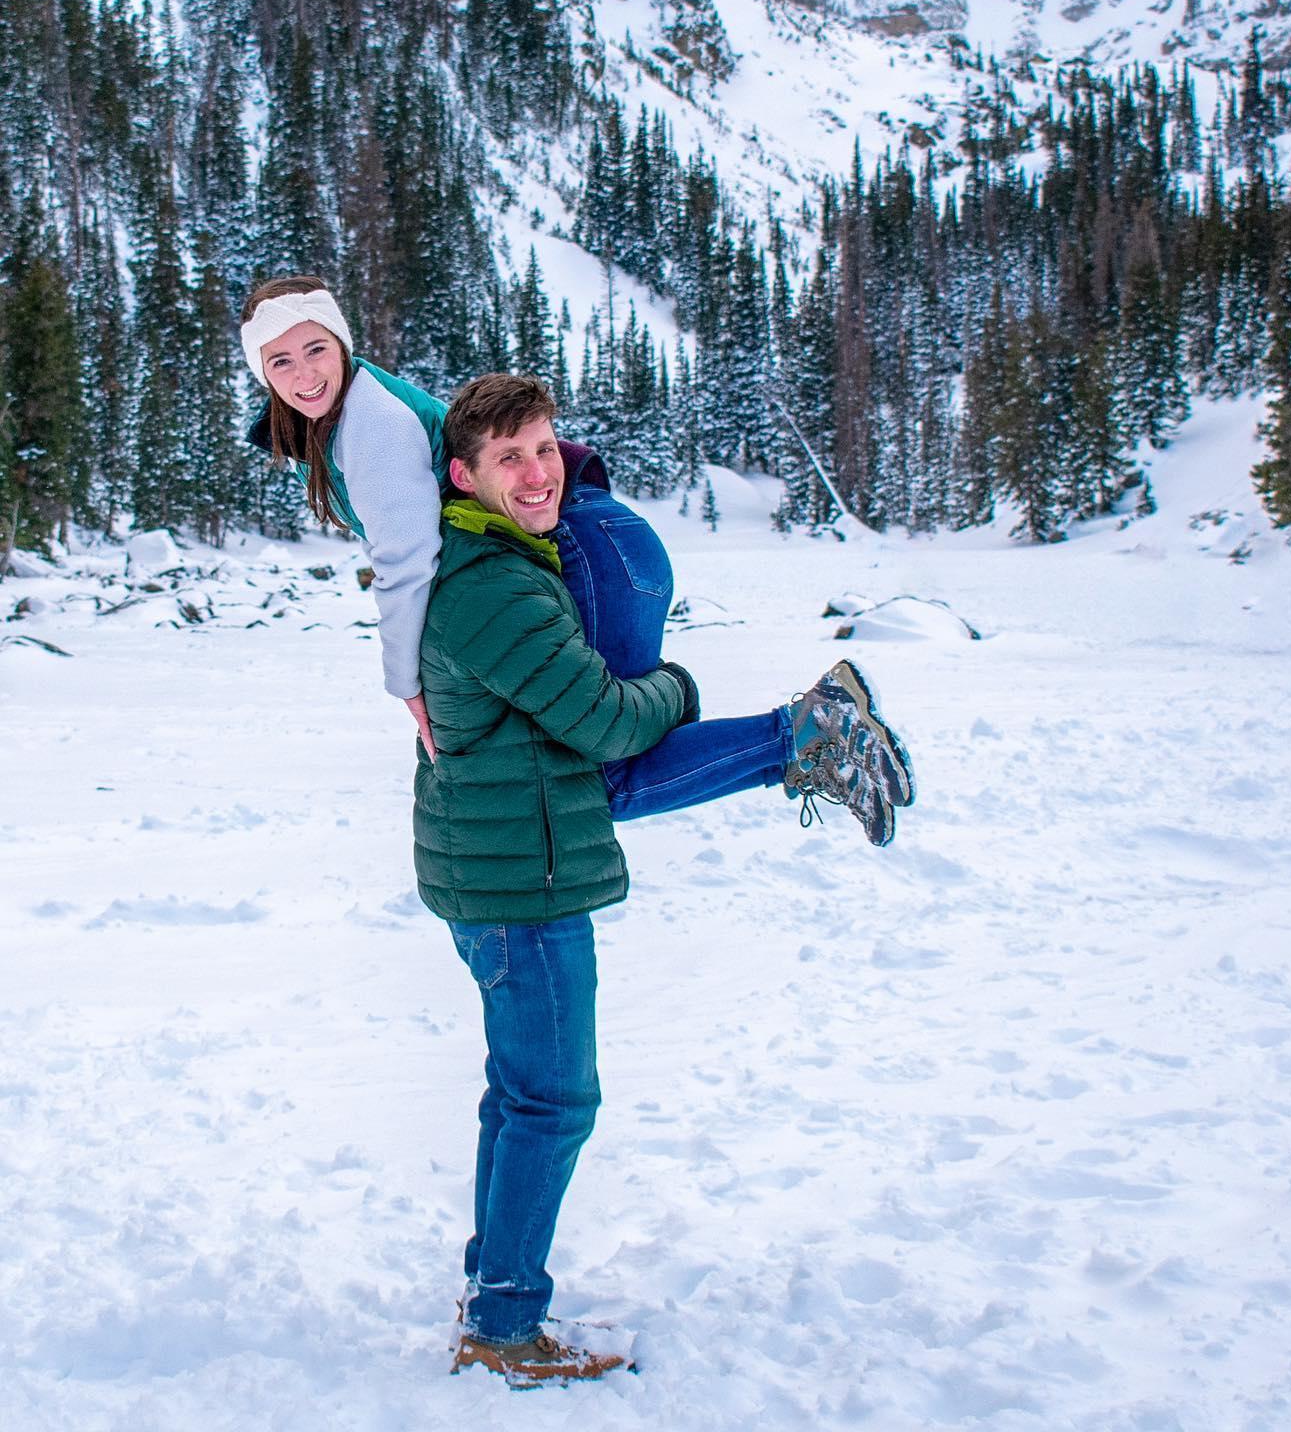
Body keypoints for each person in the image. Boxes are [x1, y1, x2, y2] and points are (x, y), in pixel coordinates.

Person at [417, 374, 913, 1384]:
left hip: (505, 869)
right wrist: (678, 689)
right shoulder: (495, 587)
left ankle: (496, 1291)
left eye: (546, 448)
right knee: (551, 1102)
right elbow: (601, 718)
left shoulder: (497, 556)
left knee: (521, 1098)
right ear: (463, 475)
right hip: (524, 887)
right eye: (511, 458)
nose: (538, 470)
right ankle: (505, 1322)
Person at [239, 275, 914, 844]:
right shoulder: (343, 416)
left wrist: (406, 685)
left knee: (599, 780)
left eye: (315, 349)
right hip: (595, 538)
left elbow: (407, 560)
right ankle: (803, 734)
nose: (304, 374)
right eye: (281, 363)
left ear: (341, 344)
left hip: (583, 545)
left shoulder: (369, 423)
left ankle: (810, 731)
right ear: (262, 374)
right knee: (583, 767)